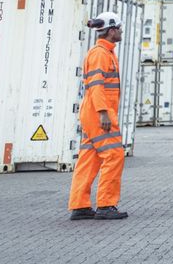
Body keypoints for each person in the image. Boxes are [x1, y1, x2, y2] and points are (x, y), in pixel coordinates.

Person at [67, 14, 128, 221]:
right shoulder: (101, 54)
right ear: (111, 31)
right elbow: (96, 86)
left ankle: (80, 206)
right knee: (114, 155)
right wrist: (103, 113)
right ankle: (106, 204)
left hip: (93, 112)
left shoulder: (105, 52)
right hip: (99, 113)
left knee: (89, 159)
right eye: (118, 28)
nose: (120, 31)